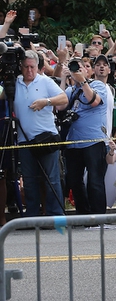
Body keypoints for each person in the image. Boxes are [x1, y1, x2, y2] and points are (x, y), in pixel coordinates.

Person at [14, 50, 69, 217]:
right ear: (21, 67)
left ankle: (55, 215)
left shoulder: (45, 81)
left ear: (38, 67)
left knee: (52, 179)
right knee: (29, 181)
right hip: (25, 139)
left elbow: (64, 99)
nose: (29, 71)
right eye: (26, 67)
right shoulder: (15, 82)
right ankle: (32, 216)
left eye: (33, 67)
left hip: (46, 137)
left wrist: (46, 101)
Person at [62, 55, 110, 215]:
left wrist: (82, 81)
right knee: (74, 181)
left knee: (94, 181)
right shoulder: (70, 90)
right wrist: (63, 79)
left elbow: (93, 101)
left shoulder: (98, 85)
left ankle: (98, 216)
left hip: (93, 140)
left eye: (81, 68)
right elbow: (60, 106)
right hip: (73, 142)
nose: (78, 71)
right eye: (75, 69)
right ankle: (83, 214)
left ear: (87, 72)